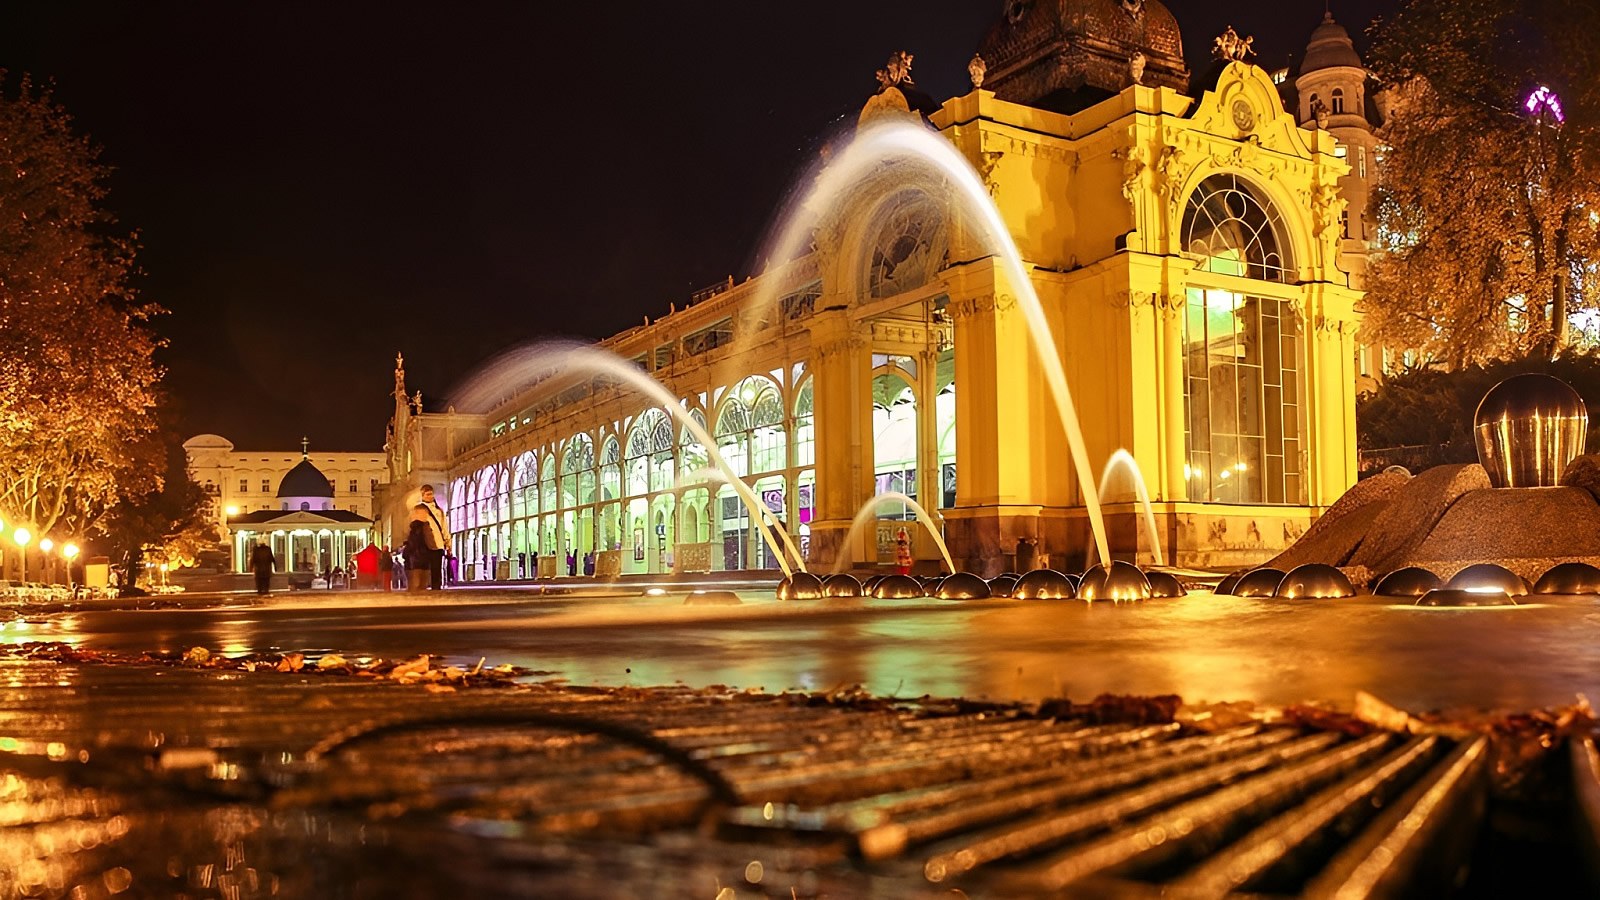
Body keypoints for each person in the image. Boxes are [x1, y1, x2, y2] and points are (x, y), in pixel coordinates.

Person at [419, 484, 451, 591]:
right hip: (424, 543)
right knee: (425, 567)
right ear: (422, 495)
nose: (429, 496)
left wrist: (448, 543)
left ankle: (436, 586)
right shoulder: (419, 509)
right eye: (427, 494)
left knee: (437, 567)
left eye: (431, 494)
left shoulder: (439, 511)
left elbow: (444, 528)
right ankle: (425, 585)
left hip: (438, 543)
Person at [403, 505, 432, 593]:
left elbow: (411, 546)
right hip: (422, 559)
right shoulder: (422, 529)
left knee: (417, 583)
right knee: (421, 583)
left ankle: (415, 596)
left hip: (416, 560)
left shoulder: (414, 531)